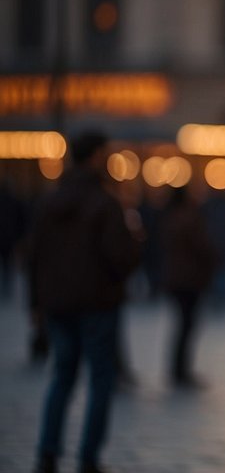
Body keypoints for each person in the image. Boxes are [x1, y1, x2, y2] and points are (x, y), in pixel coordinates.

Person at [28, 131, 142, 473]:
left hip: (58, 303)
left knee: (62, 375)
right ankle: (88, 458)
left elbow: (35, 255)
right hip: (97, 302)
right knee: (100, 379)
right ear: (95, 156)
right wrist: (135, 242)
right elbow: (120, 257)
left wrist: (36, 303)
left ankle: (48, 452)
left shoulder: (50, 201)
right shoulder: (104, 203)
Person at [161, 185, 217, 388]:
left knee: (182, 324)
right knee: (187, 325)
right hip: (190, 279)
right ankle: (180, 370)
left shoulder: (170, 218)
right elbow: (203, 247)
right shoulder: (190, 218)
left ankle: (177, 368)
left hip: (176, 278)